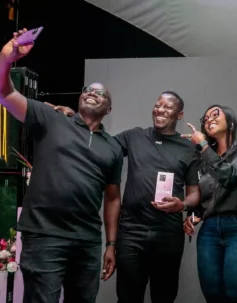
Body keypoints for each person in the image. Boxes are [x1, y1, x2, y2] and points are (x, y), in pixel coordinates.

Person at [0, 28, 124, 303]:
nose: (92, 93)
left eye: (101, 93)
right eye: (88, 90)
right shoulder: (50, 119)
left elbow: (112, 197)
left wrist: (110, 244)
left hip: (87, 241)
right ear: (79, 97)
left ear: (109, 108)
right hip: (44, 236)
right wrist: (7, 57)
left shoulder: (112, 146)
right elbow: (1, 92)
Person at [49, 91, 201, 303]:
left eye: (167, 107)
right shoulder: (135, 136)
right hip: (132, 232)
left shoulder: (188, 148)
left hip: (168, 234)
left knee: (164, 295)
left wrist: (182, 205)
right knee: (128, 297)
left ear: (180, 115)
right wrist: (75, 120)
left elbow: (194, 194)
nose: (160, 110)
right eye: (157, 105)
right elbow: (99, 144)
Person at [182, 105, 237, 303]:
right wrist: (197, 213)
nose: (208, 119)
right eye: (205, 118)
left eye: (215, 114)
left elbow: (231, 175)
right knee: (213, 295)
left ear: (230, 121)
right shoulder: (205, 157)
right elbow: (210, 192)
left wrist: (203, 146)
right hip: (211, 230)